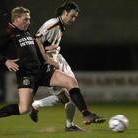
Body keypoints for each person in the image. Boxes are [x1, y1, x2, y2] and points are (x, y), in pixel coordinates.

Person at [0, 6, 105, 132]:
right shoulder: (9, 34)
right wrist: (6, 61)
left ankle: (86, 114)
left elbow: (34, 47)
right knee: (23, 109)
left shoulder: (26, 32)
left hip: (42, 70)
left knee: (71, 82)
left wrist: (47, 52)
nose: (29, 21)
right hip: (26, 74)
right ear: (16, 19)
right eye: (26, 19)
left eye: (29, 19)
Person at [30, 1, 106, 131]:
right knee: (66, 95)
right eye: (72, 16)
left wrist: (50, 49)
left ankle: (70, 122)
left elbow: (45, 44)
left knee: (70, 90)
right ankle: (80, 117)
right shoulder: (52, 23)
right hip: (47, 64)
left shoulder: (61, 26)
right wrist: (47, 56)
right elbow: (35, 40)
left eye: (76, 17)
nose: (74, 19)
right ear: (64, 12)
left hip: (57, 59)